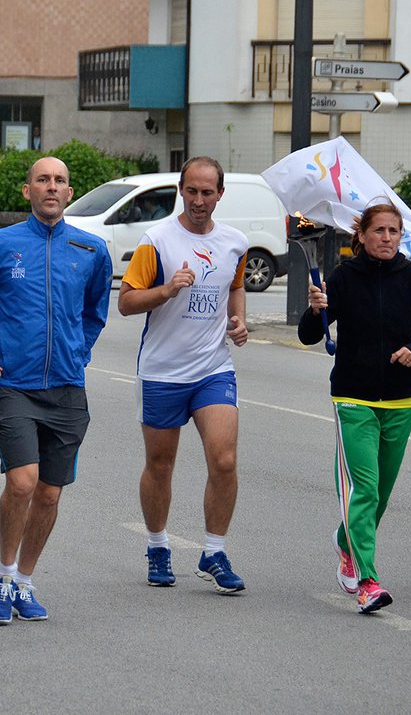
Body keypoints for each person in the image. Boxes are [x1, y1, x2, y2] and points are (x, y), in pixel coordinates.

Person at [0, 156, 112, 625]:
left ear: (69, 192)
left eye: (60, 181)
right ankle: (3, 577)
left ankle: (25, 580)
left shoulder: (91, 249)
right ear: (28, 191)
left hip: (67, 387)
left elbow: (95, 312)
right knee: (22, 482)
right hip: (12, 384)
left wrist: (78, 350)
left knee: (49, 494)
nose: (51, 187)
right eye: (43, 179)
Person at [299, 204, 411, 613]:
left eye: (393, 231)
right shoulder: (343, 277)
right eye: (379, 230)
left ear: (401, 236)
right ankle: (367, 580)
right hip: (353, 398)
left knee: (380, 495)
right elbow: (309, 336)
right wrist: (315, 310)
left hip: (401, 400)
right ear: (362, 235)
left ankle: (345, 540)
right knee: (364, 490)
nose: (386, 238)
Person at [118, 156, 250, 595]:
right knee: (161, 465)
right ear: (180, 190)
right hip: (162, 372)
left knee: (224, 460)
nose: (198, 200)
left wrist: (238, 321)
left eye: (207, 192)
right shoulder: (157, 241)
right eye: (191, 191)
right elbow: (127, 302)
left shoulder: (234, 242)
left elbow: (235, 285)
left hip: (213, 369)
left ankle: (214, 551)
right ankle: (158, 546)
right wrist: (167, 289)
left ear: (220, 194)